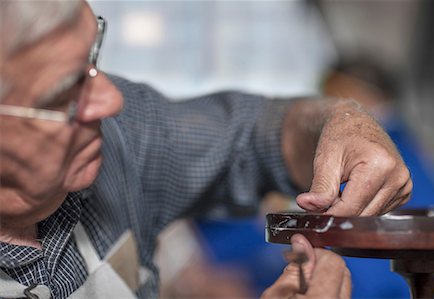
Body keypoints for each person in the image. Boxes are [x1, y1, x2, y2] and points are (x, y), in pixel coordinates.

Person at [0, 1, 412, 298]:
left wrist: (337, 121)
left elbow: (251, 134)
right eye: (64, 92)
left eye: (95, 55)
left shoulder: (122, 136)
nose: (109, 99)